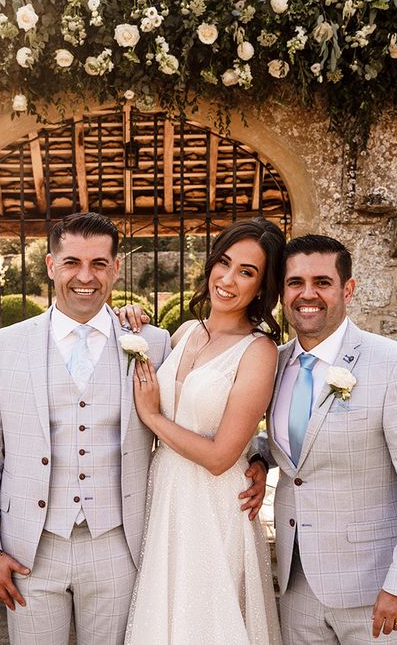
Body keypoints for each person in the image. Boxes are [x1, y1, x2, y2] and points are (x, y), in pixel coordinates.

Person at [0, 212, 170, 645]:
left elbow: (185, 431)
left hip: (117, 543)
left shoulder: (153, 344)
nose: (85, 276)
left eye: (99, 264)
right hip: (29, 547)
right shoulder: (4, 346)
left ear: (116, 269)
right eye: (72, 262)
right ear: (50, 265)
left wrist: (257, 458)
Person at [240, 234, 397, 644]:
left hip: (374, 585)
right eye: (295, 282)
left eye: (322, 282)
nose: (308, 294)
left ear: (347, 289)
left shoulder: (396, 364)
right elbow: (292, 445)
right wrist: (261, 457)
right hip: (297, 581)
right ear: (282, 292)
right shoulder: (273, 360)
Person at [123, 218, 284, 644]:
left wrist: (154, 417)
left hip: (214, 504)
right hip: (166, 494)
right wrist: (126, 318)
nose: (228, 279)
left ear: (262, 287)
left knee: (206, 623)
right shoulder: (185, 332)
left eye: (246, 272)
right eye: (224, 263)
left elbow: (219, 457)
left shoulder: (259, 351)